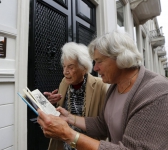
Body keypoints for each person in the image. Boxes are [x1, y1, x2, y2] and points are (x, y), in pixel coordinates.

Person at [37, 31, 168, 150]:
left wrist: (69, 135)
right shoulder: (114, 87)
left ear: (120, 58)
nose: (95, 68)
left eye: (99, 61)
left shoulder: (157, 92)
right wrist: (69, 117)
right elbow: (102, 125)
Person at [44, 42, 107, 150]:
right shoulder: (64, 83)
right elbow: (60, 115)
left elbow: (104, 126)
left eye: (70, 67)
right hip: (64, 145)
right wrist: (51, 104)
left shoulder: (100, 86)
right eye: (64, 67)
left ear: (84, 68)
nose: (65, 72)